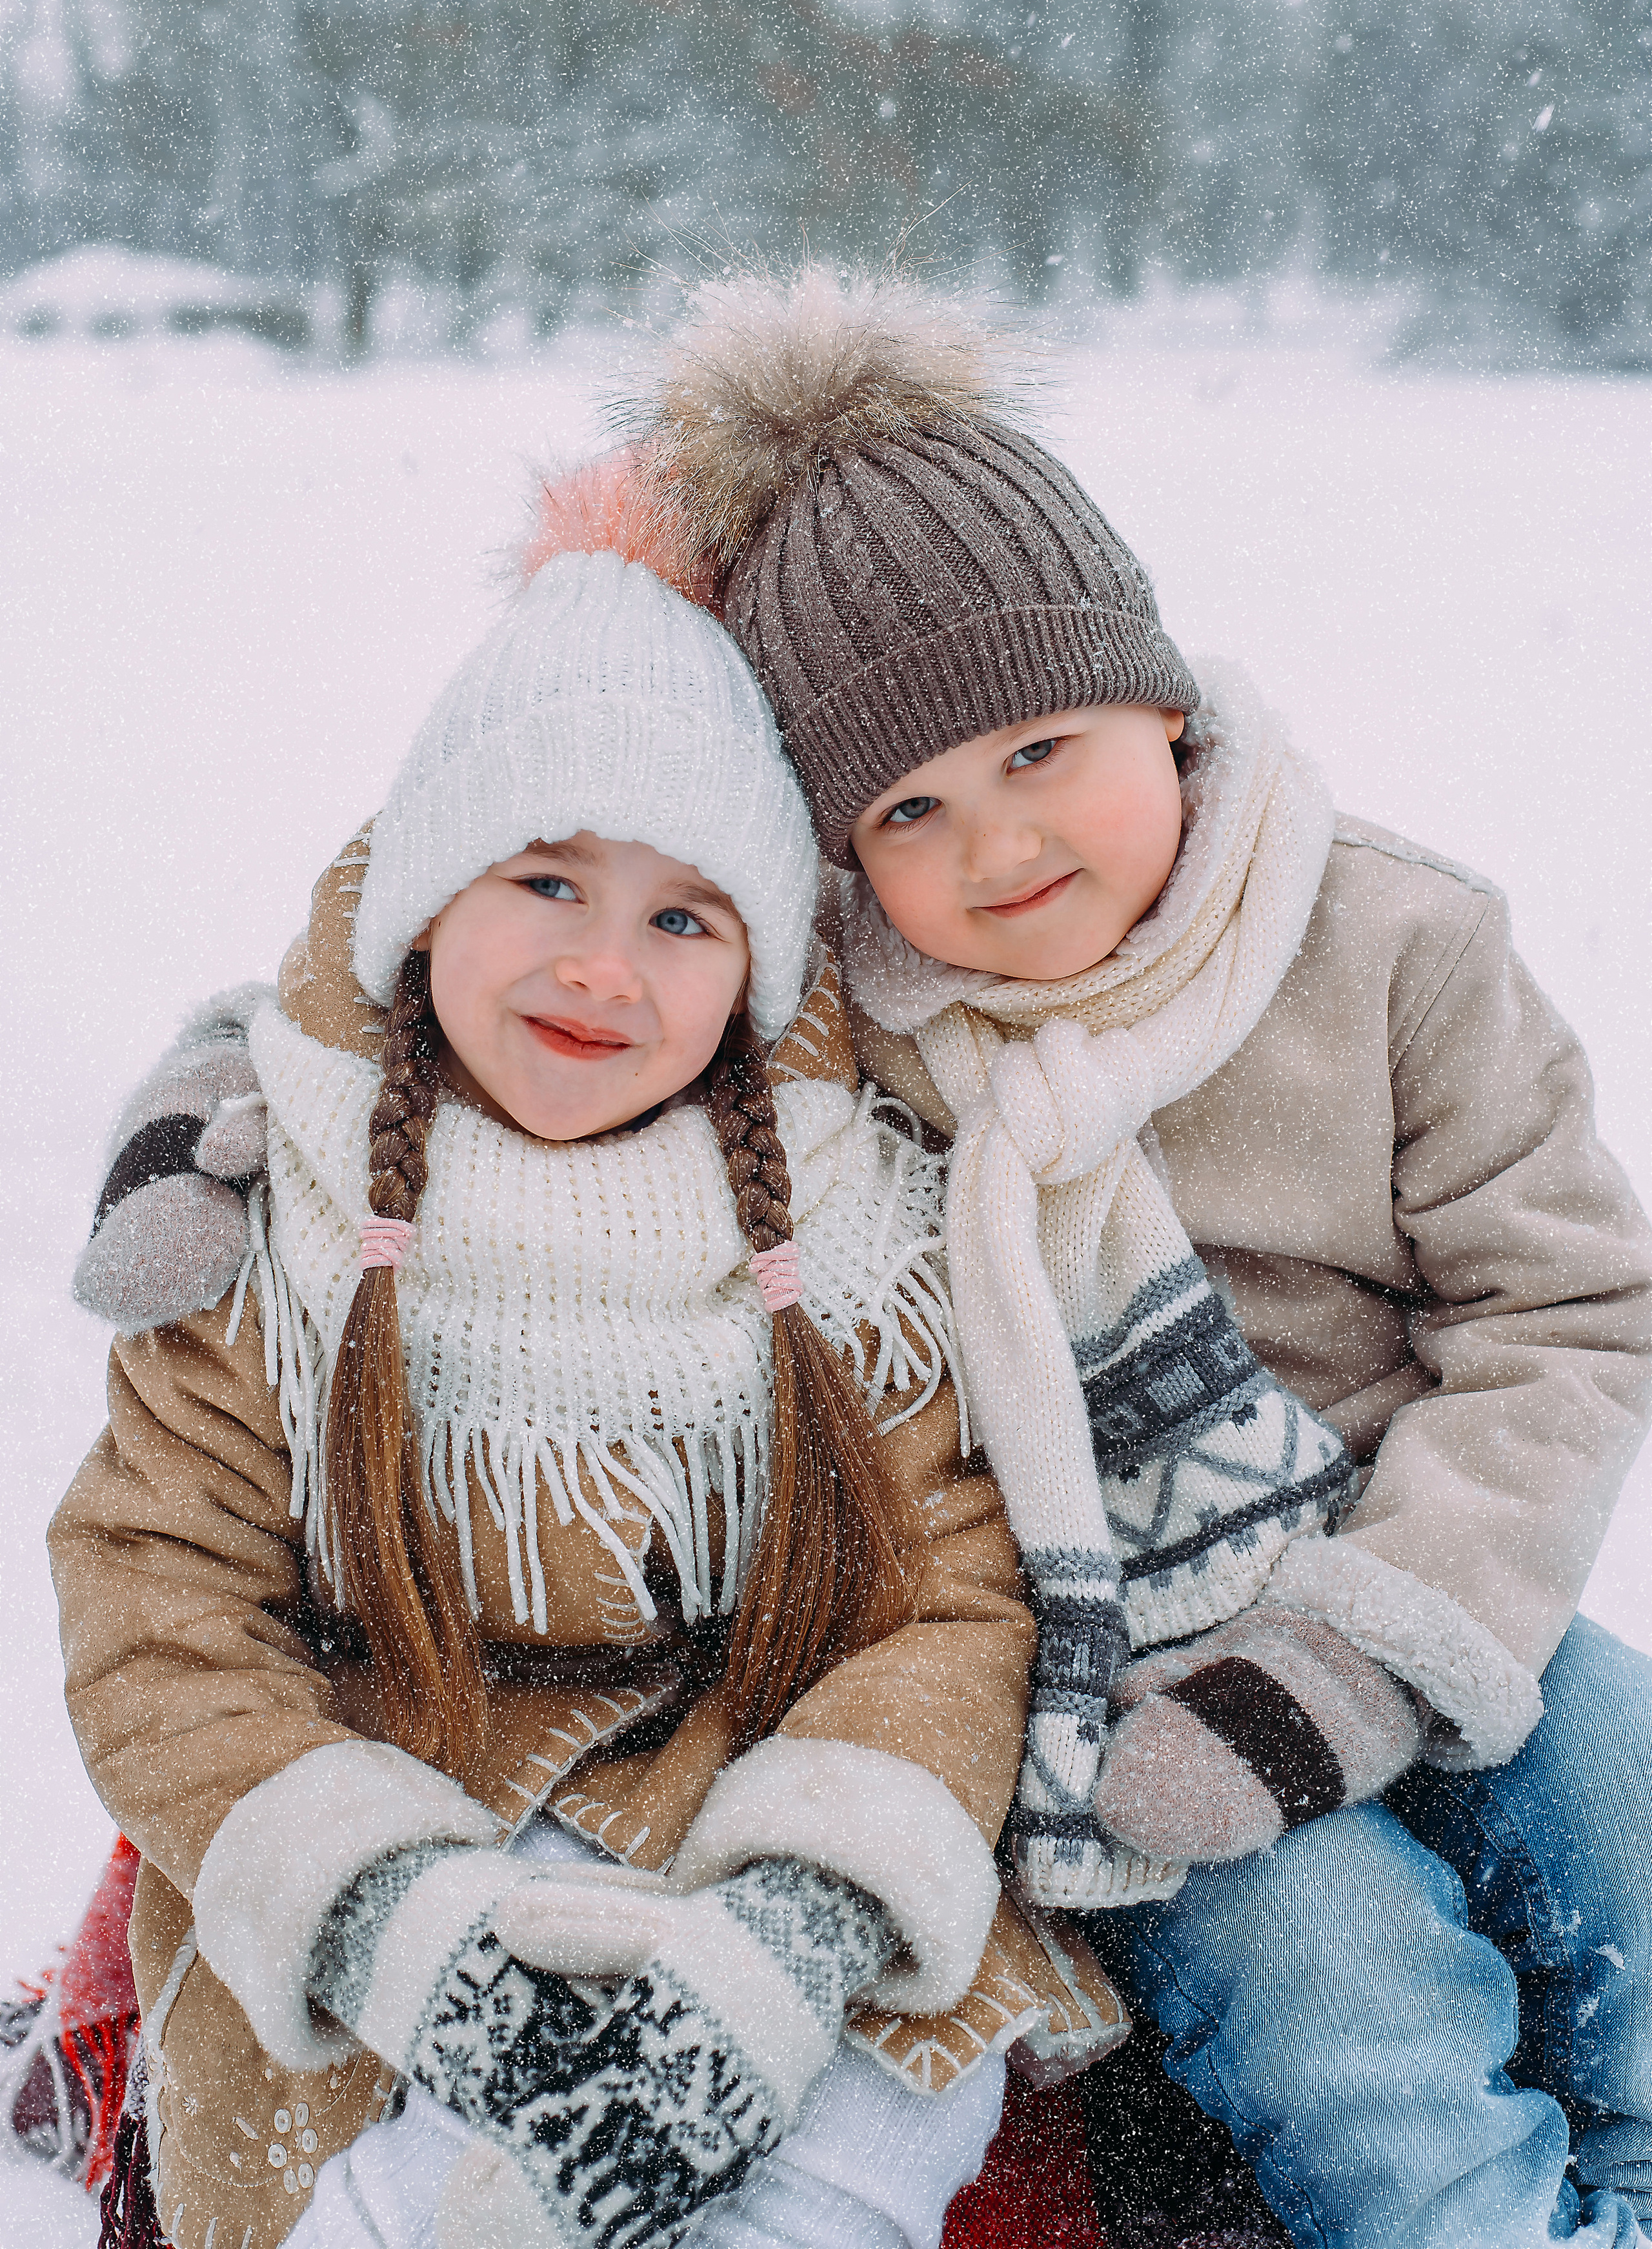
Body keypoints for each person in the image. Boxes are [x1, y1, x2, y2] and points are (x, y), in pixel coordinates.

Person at [619, 265, 1652, 2248]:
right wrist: (266, 1095)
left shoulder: (1388, 944)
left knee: (1614, 1785)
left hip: (1425, 1574)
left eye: (1040, 748)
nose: (997, 846)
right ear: (841, 859)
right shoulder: (856, 1043)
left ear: (1161, 701)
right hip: (1123, 1676)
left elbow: (1565, 1311)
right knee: (1324, 1960)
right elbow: (527, 995)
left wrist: (1371, 1643)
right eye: (910, 807)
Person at [50, 458, 1127, 2249]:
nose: (601, 968)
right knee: (394, 2169)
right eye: (544, 877)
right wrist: (385, 1917)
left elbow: (949, 1596)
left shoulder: (853, 1233)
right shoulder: (278, 1219)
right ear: (425, 904)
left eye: (682, 917)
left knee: (874, 2116)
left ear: (758, 967)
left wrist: (798, 1927)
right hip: (407, 1811)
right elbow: (155, 1597)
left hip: (745, 1819)